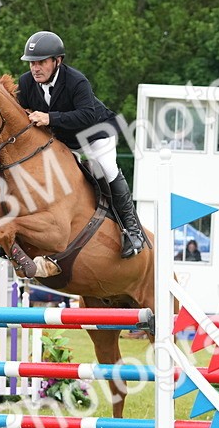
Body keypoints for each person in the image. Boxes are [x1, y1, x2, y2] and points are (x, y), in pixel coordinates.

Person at [17, 31, 145, 258]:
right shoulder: (26, 83)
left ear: (57, 61)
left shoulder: (76, 81)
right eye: (32, 63)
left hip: (96, 134)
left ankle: (133, 231)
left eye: (41, 62)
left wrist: (50, 118)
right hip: (63, 141)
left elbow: (87, 116)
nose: (35, 68)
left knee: (107, 169)